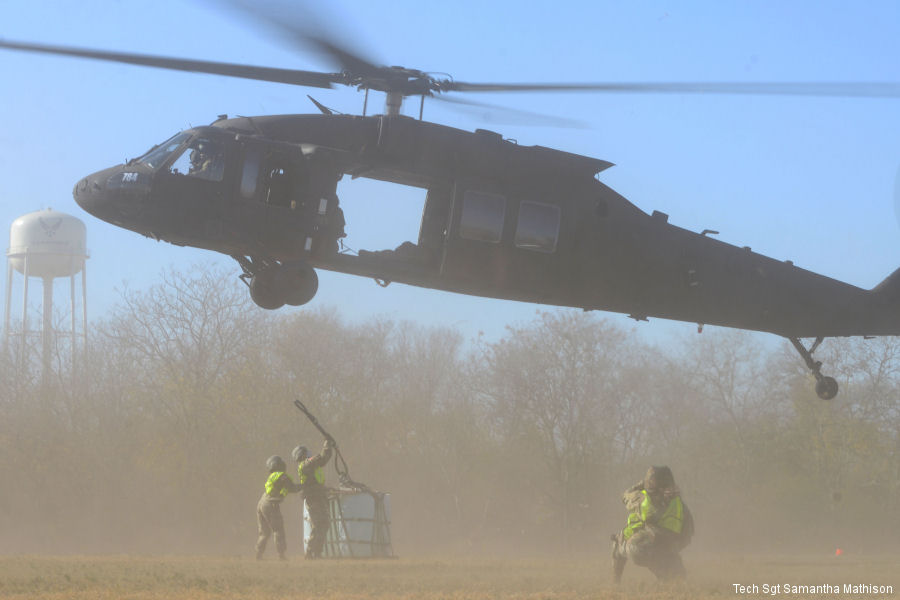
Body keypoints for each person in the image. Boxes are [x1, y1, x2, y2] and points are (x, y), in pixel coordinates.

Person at [611, 465, 693, 583]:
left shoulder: (641, 499)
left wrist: (641, 484)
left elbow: (625, 495)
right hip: (668, 541)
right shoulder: (678, 502)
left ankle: (666, 573)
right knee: (623, 542)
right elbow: (688, 531)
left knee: (634, 547)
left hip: (660, 541)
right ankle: (673, 568)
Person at [292, 438, 334, 559]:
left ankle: (316, 552)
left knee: (323, 524)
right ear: (303, 454)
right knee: (319, 524)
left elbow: (315, 482)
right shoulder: (306, 464)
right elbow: (322, 458)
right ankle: (311, 552)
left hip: (317, 496)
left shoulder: (306, 466)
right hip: (314, 498)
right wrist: (327, 445)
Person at [256, 455, 302, 560]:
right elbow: (292, 488)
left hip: (261, 503)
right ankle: (281, 555)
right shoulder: (281, 475)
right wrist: (304, 485)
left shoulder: (272, 476)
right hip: (271, 504)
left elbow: (287, 488)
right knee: (278, 530)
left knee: (264, 532)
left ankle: (258, 553)